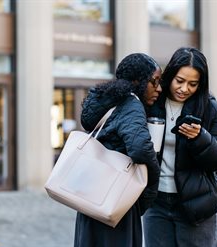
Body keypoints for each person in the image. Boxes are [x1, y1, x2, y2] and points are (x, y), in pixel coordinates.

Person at [143, 47, 217, 247]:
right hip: (156, 202)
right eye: (180, 81)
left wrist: (201, 138)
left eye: (193, 84)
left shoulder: (209, 108)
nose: (184, 89)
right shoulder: (152, 102)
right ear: (170, 75)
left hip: (195, 204)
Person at [74, 53, 162, 247]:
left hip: (90, 196)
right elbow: (140, 148)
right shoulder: (131, 105)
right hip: (115, 198)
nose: (159, 89)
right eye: (154, 82)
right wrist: (154, 176)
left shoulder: (112, 100)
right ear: (138, 81)